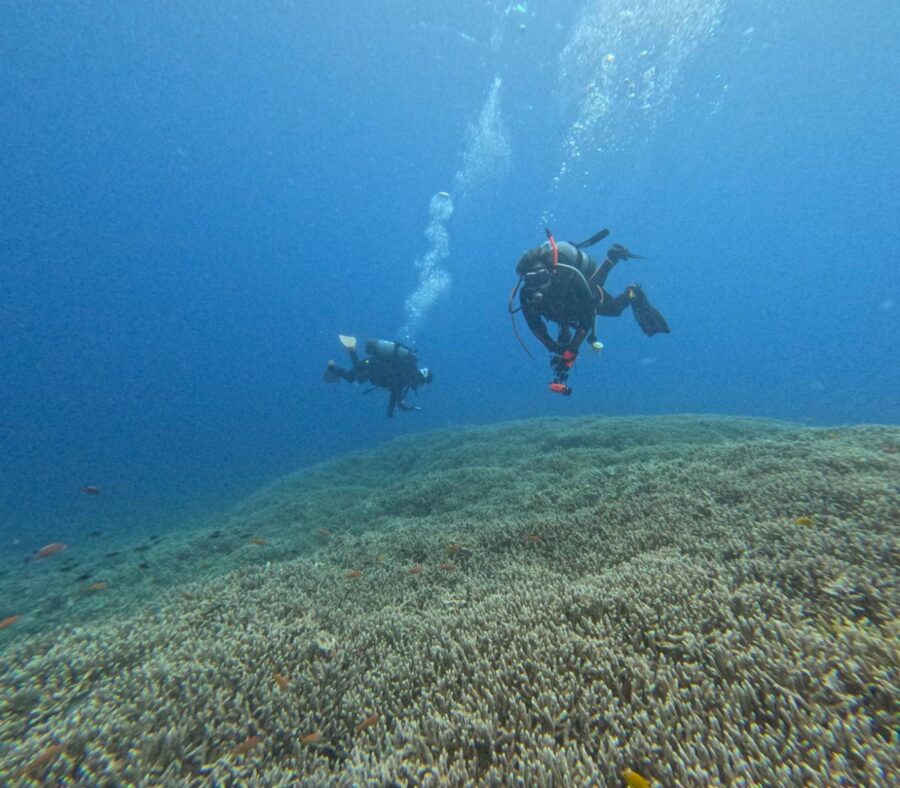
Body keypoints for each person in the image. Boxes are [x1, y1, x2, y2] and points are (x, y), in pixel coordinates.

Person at [510, 228, 669, 395]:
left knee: (613, 308)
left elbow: (588, 312)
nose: (537, 285)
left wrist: (574, 347)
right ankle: (612, 258)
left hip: (584, 300)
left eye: (541, 277)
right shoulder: (526, 294)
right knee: (566, 329)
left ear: (550, 272)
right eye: (531, 279)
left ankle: (633, 291)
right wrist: (552, 346)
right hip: (565, 310)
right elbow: (535, 325)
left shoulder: (567, 277)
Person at [324, 335, 432, 417]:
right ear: (422, 378)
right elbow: (396, 387)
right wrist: (398, 403)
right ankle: (331, 366)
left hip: (372, 369)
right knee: (351, 377)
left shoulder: (407, 375)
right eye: (422, 383)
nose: (420, 386)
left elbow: (395, 392)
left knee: (358, 376)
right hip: (371, 366)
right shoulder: (407, 374)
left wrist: (391, 410)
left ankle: (351, 348)